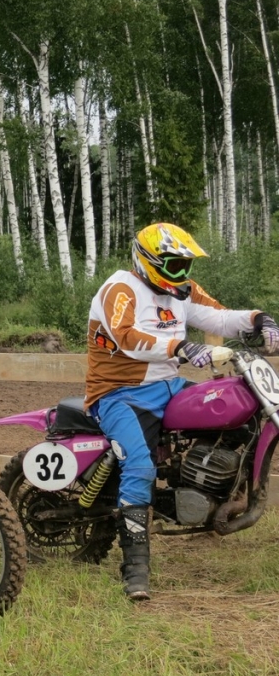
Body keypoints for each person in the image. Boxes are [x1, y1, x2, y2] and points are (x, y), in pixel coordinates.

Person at [84, 222, 279, 602]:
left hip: (169, 385)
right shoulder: (120, 288)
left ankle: (209, 497)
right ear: (149, 262)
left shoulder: (182, 290)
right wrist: (182, 347)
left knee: (234, 416)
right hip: (119, 394)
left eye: (186, 264)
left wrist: (259, 319)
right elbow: (127, 337)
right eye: (174, 265)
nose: (182, 273)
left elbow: (219, 316)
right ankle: (136, 568)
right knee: (140, 466)